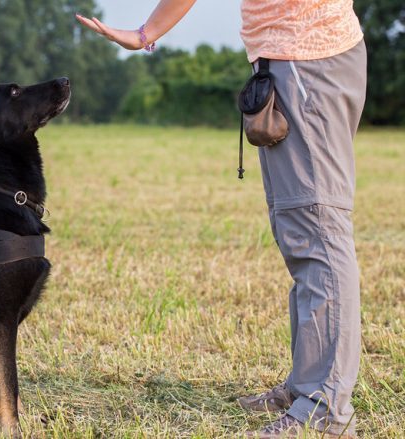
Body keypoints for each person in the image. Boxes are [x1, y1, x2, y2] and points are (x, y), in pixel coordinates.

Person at [77, 1, 366, 438]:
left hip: (309, 62)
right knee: (301, 234)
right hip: (296, 61)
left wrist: (144, 33)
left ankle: (324, 408)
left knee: (318, 233)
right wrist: (146, 32)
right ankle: (307, 385)